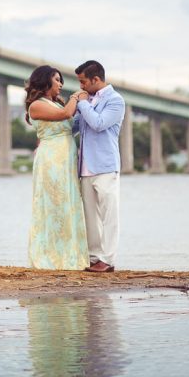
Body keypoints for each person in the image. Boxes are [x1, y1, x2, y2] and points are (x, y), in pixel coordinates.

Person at [25, 65, 88, 270]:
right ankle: (50, 257)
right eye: (57, 80)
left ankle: (69, 255)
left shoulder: (55, 104)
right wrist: (77, 96)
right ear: (45, 81)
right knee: (53, 206)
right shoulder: (36, 105)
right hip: (51, 161)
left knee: (68, 204)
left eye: (61, 80)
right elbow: (66, 115)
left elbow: (71, 123)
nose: (61, 84)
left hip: (66, 160)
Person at [73, 60, 125, 273]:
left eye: (83, 81)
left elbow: (99, 123)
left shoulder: (116, 100)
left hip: (105, 165)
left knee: (109, 215)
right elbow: (74, 126)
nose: (81, 87)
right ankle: (94, 258)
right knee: (90, 217)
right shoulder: (87, 100)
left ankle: (108, 260)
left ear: (96, 79)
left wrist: (82, 103)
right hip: (85, 167)